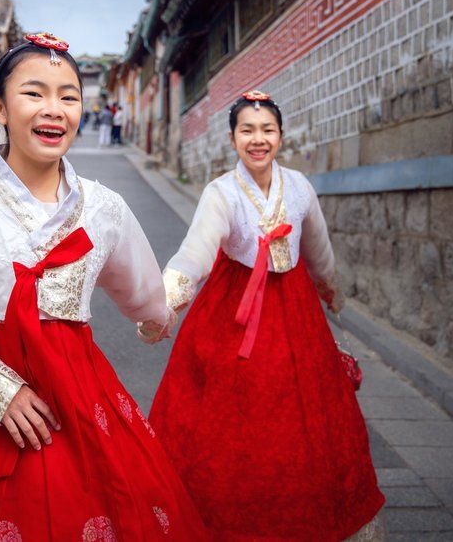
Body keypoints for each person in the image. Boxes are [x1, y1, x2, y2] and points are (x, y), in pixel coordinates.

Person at [0, 32, 209, 541]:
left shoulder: (104, 208)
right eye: (34, 93)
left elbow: (143, 296)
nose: (54, 109)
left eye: (69, 96)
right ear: (0, 108)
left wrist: (158, 318)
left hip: (81, 396)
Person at [149, 90, 386, 541]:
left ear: (280, 135)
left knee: (308, 414)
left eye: (267, 130)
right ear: (232, 137)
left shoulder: (298, 187)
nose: (258, 140)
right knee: (230, 417)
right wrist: (164, 302)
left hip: (294, 310)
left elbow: (318, 249)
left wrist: (330, 290)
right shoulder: (220, 192)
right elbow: (195, 253)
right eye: (247, 131)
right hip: (234, 310)